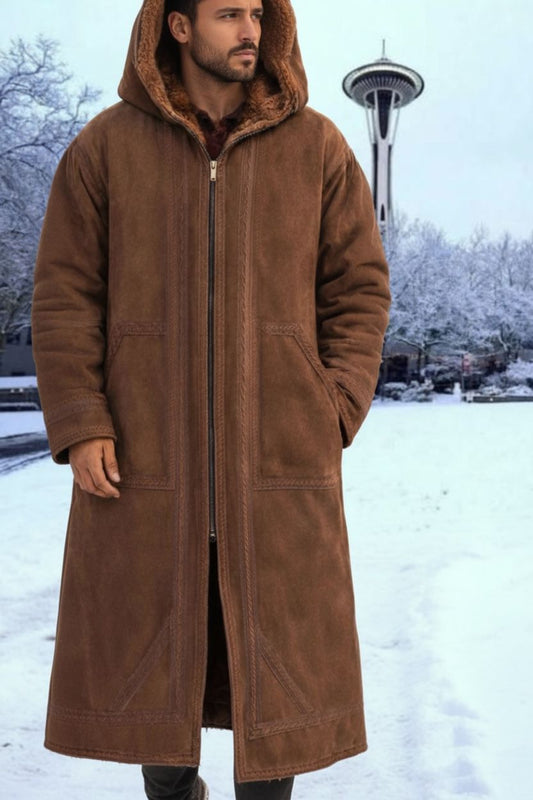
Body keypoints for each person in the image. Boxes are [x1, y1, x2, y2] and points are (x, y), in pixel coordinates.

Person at [31, 0, 391, 798]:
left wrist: (332, 404)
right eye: (228, 14)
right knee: (155, 678)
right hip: (144, 465)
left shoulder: (318, 147)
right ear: (179, 26)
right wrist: (81, 420)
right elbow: (64, 295)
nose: (250, 30)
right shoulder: (106, 147)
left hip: (277, 468)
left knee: (280, 676)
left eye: (257, 13)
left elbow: (359, 288)